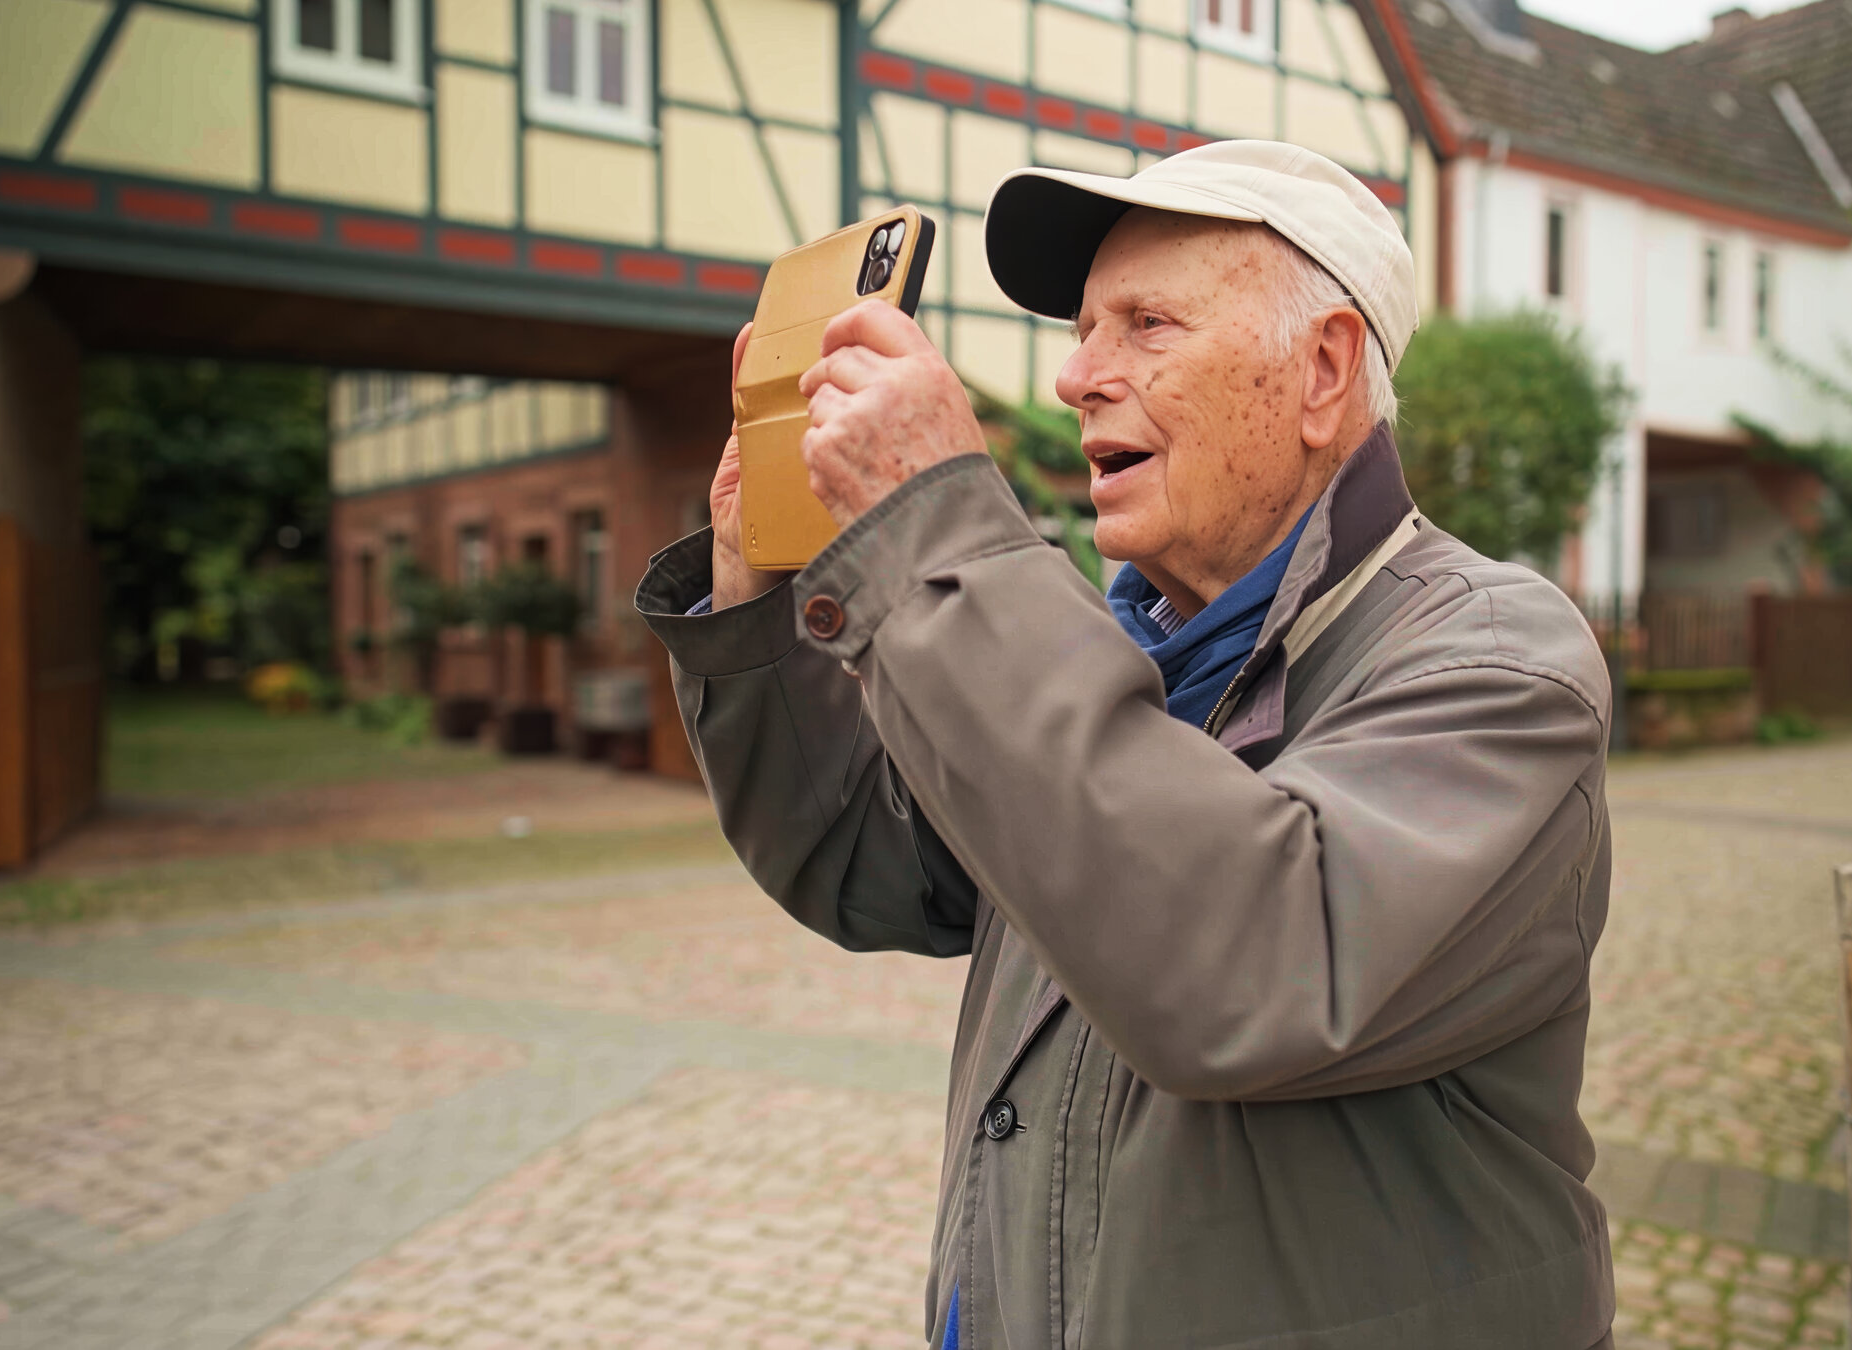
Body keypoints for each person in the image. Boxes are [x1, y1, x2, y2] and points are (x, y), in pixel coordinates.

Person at [634, 140, 1615, 1349]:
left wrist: (938, 525)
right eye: (1085, 328)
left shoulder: (1494, 659)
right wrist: (753, 594)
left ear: (1322, 371)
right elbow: (864, 861)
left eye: (1146, 324)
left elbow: (1249, 972)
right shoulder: (1100, 648)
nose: (1075, 376)